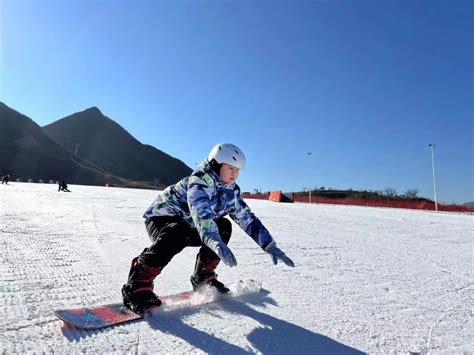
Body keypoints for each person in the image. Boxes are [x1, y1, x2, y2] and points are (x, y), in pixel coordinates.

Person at [122, 143, 295, 314]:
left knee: (224, 225)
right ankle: (137, 287)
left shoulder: (230, 192)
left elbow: (247, 219)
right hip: (161, 219)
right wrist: (212, 239)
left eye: (237, 170)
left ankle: (203, 278)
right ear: (216, 164)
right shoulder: (199, 182)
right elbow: (202, 215)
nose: (235, 174)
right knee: (177, 232)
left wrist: (268, 245)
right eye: (230, 168)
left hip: (190, 225)